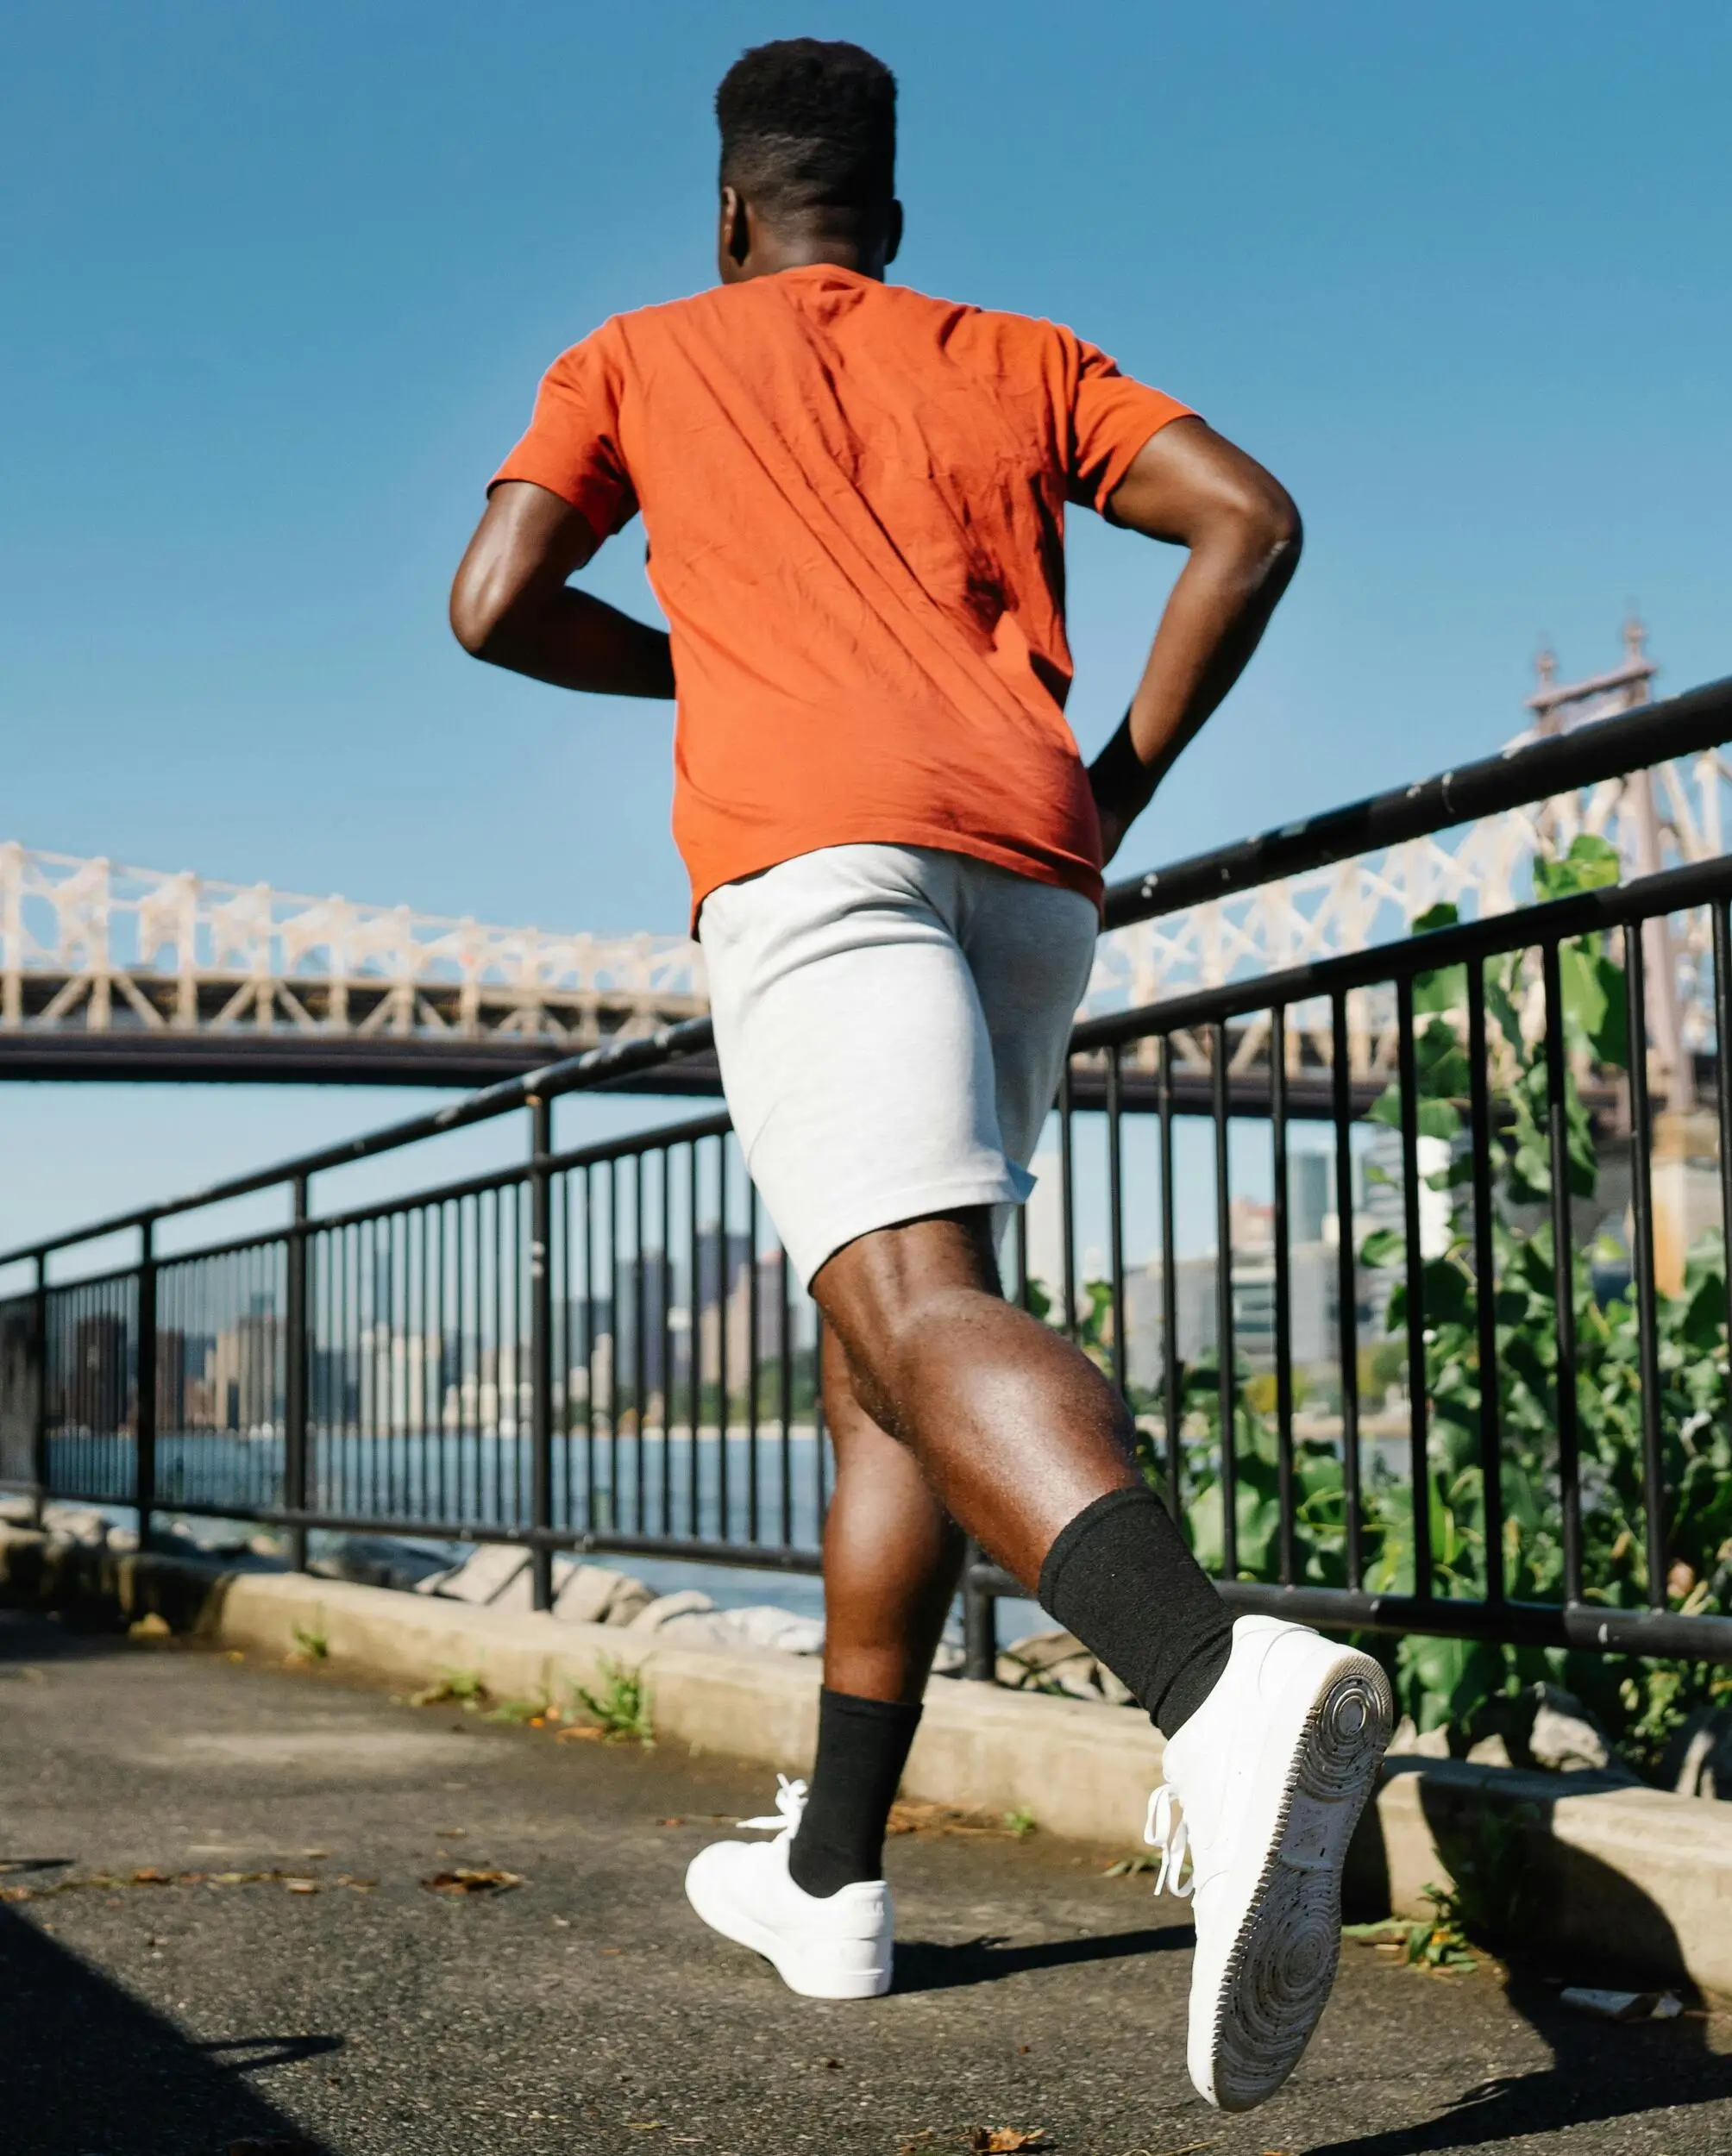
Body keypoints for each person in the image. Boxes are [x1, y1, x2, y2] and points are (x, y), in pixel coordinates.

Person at [450, 36, 1390, 2115]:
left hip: (818, 851)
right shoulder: (1016, 351)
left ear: (727, 209)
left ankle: (1206, 1677)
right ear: (891, 216)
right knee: (882, 1353)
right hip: (1024, 867)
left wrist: (705, 654)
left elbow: (495, 602)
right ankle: (831, 1871)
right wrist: (1108, 785)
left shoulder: (635, 351)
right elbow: (1247, 519)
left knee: (911, 1300)